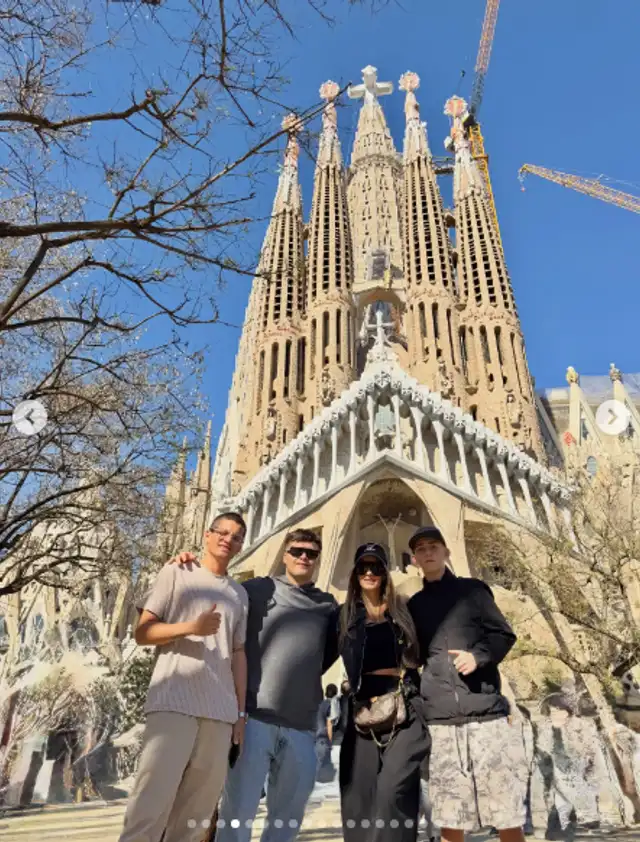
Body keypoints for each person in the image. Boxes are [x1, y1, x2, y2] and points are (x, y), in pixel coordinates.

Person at [171, 528, 339, 842]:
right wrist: (187, 566)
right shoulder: (258, 589)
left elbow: (324, 655)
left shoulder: (327, 606)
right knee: (237, 816)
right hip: (254, 721)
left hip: (302, 726)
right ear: (284, 555)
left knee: (286, 821)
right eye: (297, 551)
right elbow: (216, 589)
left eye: (311, 553)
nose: (304, 557)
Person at [118, 512, 248, 842]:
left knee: (196, 815)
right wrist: (190, 628)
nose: (227, 539)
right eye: (222, 532)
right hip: (174, 701)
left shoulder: (238, 594)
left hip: (220, 710)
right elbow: (143, 632)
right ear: (206, 535)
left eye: (236, 536)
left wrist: (240, 714)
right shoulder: (177, 571)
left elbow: (238, 653)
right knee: (151, 802)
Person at [407, 526, 527, 842]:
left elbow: (503, 634)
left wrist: (478, 657)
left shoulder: (473, 591)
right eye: (421, 549)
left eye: (434, 546)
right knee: (450, 814)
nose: (428, 552)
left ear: (446, 552)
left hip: (485, 713)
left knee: (506, 811)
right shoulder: (415, 605)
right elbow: (412, 656)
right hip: (442, 720)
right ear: (414, 559)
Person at [338, 543, 429, 842]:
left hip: (404, 703)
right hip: (363, 707)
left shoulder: (403, 610)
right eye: (363, 567)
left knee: (395, 791)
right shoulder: (344, 616)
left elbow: (428, 651)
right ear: (354, 573)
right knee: (359, 799)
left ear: (385, 571)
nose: (369, 572)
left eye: (376, 566)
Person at [316, 683, 340, 782]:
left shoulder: (320, 704)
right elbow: (329, 723)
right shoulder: (331, 704)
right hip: (323, 738)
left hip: (316, 736)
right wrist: (330, 741)